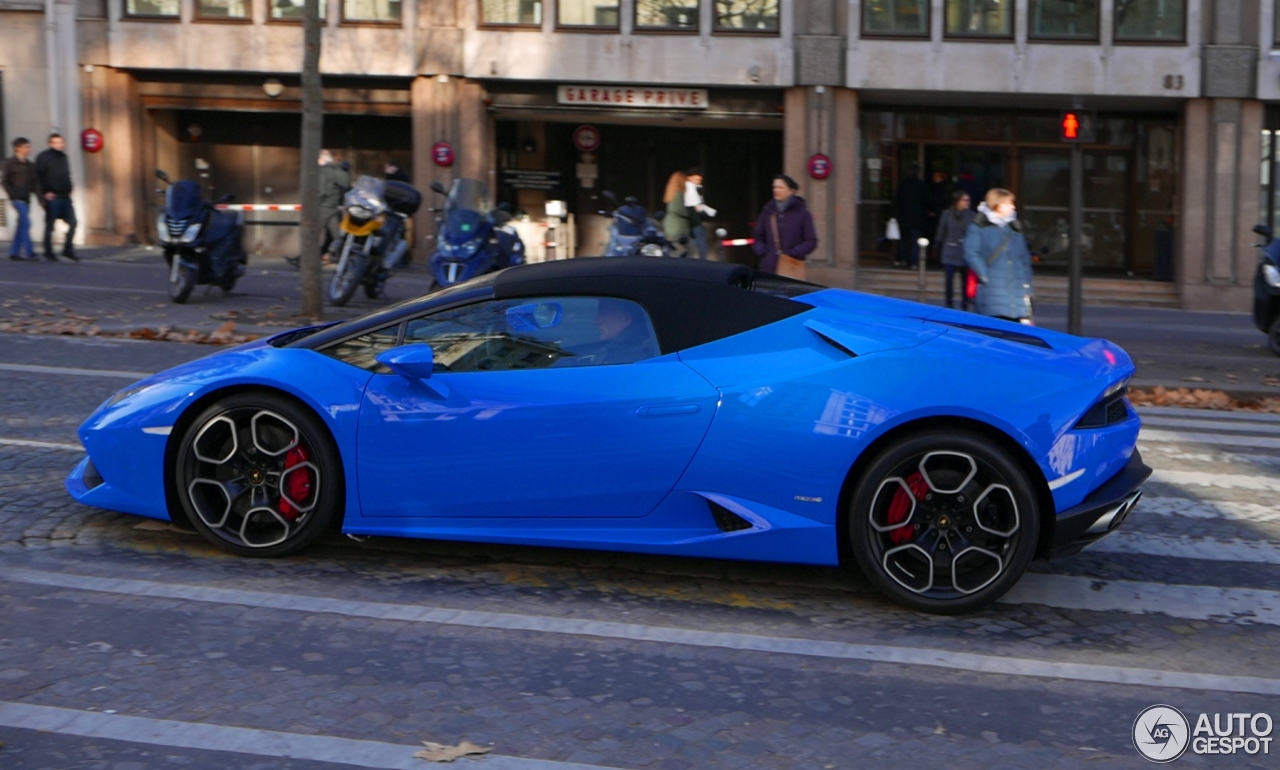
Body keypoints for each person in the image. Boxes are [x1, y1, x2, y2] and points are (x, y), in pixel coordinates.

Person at [964, 188, 1033, 323]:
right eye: (1008, 203)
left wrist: (1027, 285)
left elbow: (1024, 258)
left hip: (1016, 292)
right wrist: (985, 276)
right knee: (993, 330)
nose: (1013, 207)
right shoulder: (980, 226)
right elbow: (971, 252)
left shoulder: (1014, 228)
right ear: (997, 204)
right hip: (992, 292)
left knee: (1015, 335)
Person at [751, 174, 817, 279]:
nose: (776, 190)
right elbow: (758, 236)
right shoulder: (768, 211)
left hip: (792, 266)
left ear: (791, 191)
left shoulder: (802, 214)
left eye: (780, 187)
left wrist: (793, 253)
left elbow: (811, 241)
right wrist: (763, 252)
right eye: (774, 187)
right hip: (769, 267)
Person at [34, 133, 77, 261]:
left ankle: (67, 250)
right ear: (51, 144)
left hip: (65, 197)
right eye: (56, 142)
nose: (60, 145)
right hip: (52, 197)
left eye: (61, 142)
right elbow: (37, 177)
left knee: (73, 223)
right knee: (50, 225)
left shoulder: (64, 157)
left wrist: (70, 188)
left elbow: (66, 175)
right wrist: (43, 194)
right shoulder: (43, 157)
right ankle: (48, 251)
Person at [935, 190, 975, 310]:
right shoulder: (947, 214)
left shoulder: (972, 215)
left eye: (968, 200)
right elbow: (941, 231)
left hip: (965, 251)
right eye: (965, 200)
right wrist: (936, 245)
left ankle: (965, 303)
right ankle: (949, 303)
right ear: (957, 201)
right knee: (949, 278)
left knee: (965, 280)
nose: (967, 202)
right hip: (950, 250)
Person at [2, 138, 36, 261]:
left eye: (29, 147)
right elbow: (5, 181)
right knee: (26, 223)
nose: (29, 149)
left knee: (21, 224)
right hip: (16, 199)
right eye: (26, 147)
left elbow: (34, 183)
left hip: (26, 198)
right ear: (18, 148)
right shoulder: (10, 163)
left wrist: (40, 198)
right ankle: (30, 252)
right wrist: (12, 195)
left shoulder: (29, 164)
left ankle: (14, 251)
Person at [317, 150, 350, 260]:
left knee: (312, 231)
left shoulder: (323, 171)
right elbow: (345, 186)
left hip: (324, 206)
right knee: (336, 235)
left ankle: (305, 259)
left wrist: (315, 202)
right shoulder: (337, 170)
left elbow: (321, 190)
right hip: (334, 206)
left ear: (321, 160)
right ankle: (343, 257)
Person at [683, 167, 715, 260]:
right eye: (696, 179)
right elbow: (694, 209)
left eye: (700, 180)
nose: (698, 181)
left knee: (695, 250)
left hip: (695, 223)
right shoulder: (690, 191)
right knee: (701, 250)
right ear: (689, 178)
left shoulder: (695, 190)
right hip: (695, 223)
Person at [662, 171, 690, 253]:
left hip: (670, 225)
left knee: (672, 250)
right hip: (678, 226)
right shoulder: (678, 194)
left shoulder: (671, 194)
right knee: (681, 251)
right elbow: (680, 209)